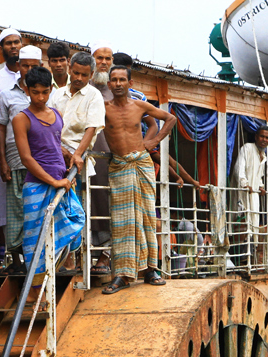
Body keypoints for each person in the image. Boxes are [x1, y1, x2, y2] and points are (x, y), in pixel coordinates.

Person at [101, 64, 176, 293]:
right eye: (114, 80)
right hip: (120, 165)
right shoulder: (103, 108)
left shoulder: (139, 105)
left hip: (142, 164)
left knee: (146, 217)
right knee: (122, 221)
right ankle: (122, 274)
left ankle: (151, 270)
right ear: (109, 84)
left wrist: (153, 141)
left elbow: (170, 118)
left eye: (122, 79)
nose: (118, 84)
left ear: (130, 83)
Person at [12, 66, 85, 277]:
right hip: (37, 186)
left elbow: (51, 142)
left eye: (45, 92)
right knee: (36, 240)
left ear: (51, 89)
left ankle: (50, 281)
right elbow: (26, 158)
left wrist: (67, 155)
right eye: (35, 92)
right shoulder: (21, 118)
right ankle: (36, 291)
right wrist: (53, 182)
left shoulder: (56, 114)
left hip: (61, 181)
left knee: (72, 224)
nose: (40, 97)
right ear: (27, 90)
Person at [0, 46, 42, 275]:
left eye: (34, 66)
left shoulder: (47, 94)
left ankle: (38, 260)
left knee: (38, 210)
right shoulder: (6, 94)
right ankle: (16, 260)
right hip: (14, 160)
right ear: (18, 66)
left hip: (41, 161)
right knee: (15, 210)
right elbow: (0, 129)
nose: (29, 70)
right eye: (25, 65)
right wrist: (2, 161)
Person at [48, 51, 105, 182]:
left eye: (84, 75)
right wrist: (59, 149)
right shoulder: (58, 94)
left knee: (76, 197)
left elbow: (91, 128)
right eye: (76, 73)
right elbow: (49, 124)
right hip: (54, 151)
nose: (79, 78)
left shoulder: (94, 96)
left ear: (91, 75)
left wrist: (77, 155)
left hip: (77, 155)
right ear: (70, 69)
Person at [230, 125, 268, 269]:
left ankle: (248, 258)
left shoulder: (263, 155)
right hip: (243, 192)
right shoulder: (247, 148)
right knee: (241, 222)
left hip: (253, 194)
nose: (264, 140)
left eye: (267, 138)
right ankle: (239, 259)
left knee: (253, 224)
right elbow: (238, 169)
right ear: (256, 137)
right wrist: (244, 183)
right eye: (262, 136)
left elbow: (259, 175)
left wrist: (260, 186)